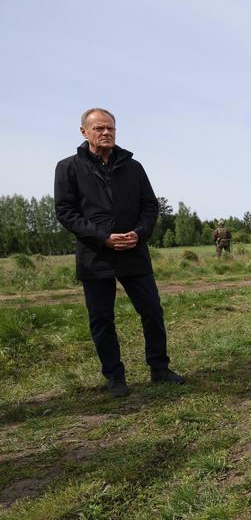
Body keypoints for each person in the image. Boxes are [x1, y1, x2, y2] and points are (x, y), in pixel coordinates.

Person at [54, 108, 184, 398]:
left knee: (152, 310)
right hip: (95, 255)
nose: (106, 133)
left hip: (133, 251)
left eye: (111, 128)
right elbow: (65, 212)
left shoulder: (133, 167)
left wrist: (139, 233)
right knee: (102, 319)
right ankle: (115, 378)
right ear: (83, 132)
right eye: (99, 128)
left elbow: (150, 206)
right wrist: (102, 238)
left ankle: (159, 369)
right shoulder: (68, 168)